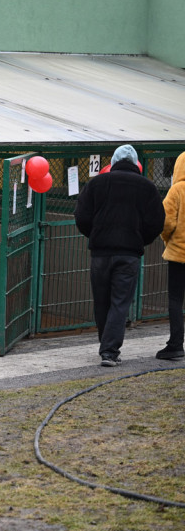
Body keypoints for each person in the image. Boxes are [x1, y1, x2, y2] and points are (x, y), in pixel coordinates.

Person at [74, 144, 165, 367]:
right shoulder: (148, 187)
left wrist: (95, 235)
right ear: (135, 163)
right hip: (129, 254)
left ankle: (105, 346)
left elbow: (81, 216)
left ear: (113, 162)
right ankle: (109, 350)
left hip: (100, 253)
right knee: (120, 302)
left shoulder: (96, 184)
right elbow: (156, 221)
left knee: (102, 301)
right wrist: (139, 239)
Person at [158, 151, 185, 360]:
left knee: (176, 299)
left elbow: (166, 222)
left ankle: (175, 344)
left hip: (179, 255)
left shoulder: (177, 190)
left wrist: (167, 240)